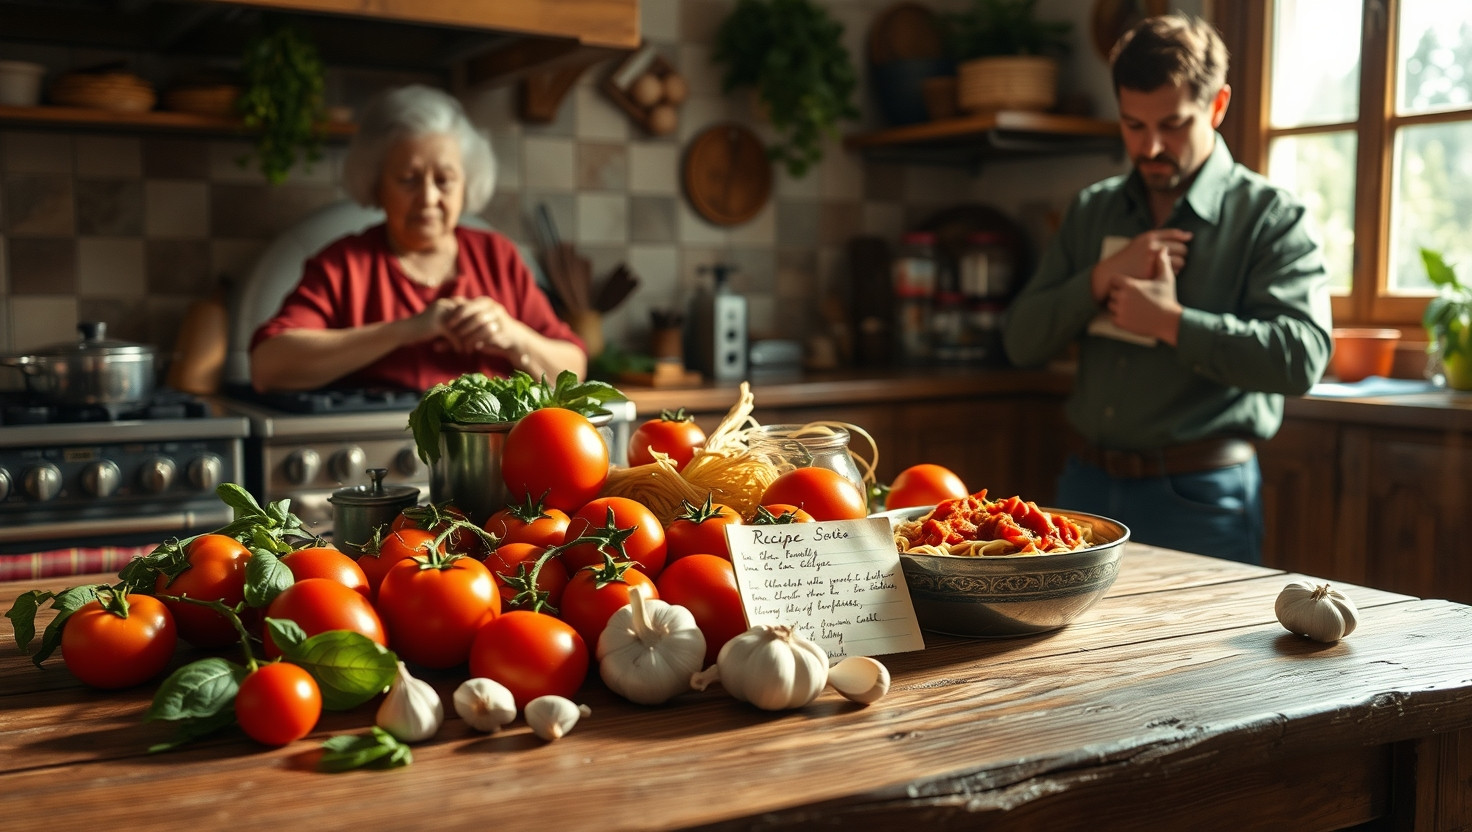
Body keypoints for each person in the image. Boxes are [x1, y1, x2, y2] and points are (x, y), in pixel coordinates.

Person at [1001, 14, 1333, 564]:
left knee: (1207, 655)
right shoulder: (1091, 211)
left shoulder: (1271, 217)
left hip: (1200, 498)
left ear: (1218, 105)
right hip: (1082, 493)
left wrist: (1171, 323)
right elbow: (1020, 343)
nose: (1151, 146)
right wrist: (1099, 280)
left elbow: (1303, 357)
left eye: (1173, 125)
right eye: (1133, 125)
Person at [250, 85, 586, 393]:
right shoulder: (345, 264)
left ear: (465, 185)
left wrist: (514, 336)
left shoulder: (496, 255)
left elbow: (574, 369)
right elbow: (267, 366)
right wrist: (407, 330)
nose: (427, 198)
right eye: (408, 179)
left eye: (444, 180)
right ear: (376, 184)